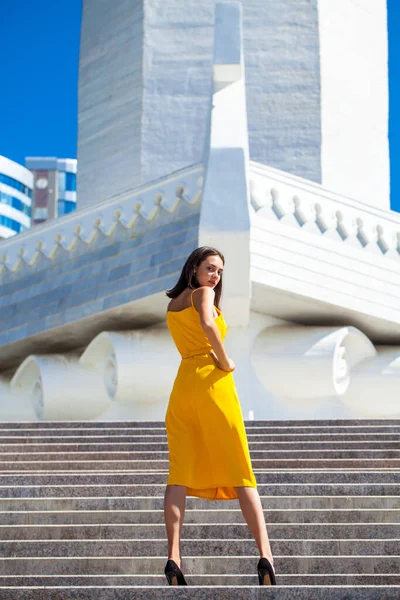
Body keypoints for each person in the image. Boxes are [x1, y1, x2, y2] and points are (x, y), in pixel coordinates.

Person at [163, 246, 276, 587]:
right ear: (194, 267)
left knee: (179, 473)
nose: (215, 276)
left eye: (219, 272)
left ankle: (173, 557)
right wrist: (225, 361)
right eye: (210, 268)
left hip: (183, 388)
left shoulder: (172, 304)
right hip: (213, 383)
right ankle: (266, 556)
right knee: (241, 471)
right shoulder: (204, 294)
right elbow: (208, 325)